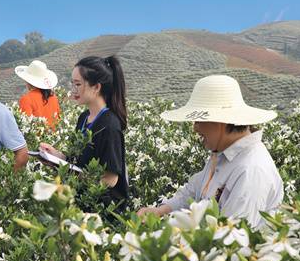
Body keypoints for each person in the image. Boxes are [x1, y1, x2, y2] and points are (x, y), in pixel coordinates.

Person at [137, 75, 284, 228]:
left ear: (221, 121)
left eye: (199, 121)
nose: (195, 128)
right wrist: (161, 210)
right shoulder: (222, 153)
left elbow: (231, 237)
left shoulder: (251, 171)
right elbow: (194, 192)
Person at [40, 56, 129, 211]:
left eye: (78, 84)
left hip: (102, 211)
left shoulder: (109, 125)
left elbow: (110, 179)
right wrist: (57, 157)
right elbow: (79, 161)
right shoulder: (84, 118)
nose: (73, 90)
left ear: (96, 87)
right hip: (81, 204)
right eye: (72, 84)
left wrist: (72, 174)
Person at [16, 60, 61, 129]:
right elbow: (58, 121)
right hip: (53, 138)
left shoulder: (26, 99)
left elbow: (25, 125)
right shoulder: (54, 98)